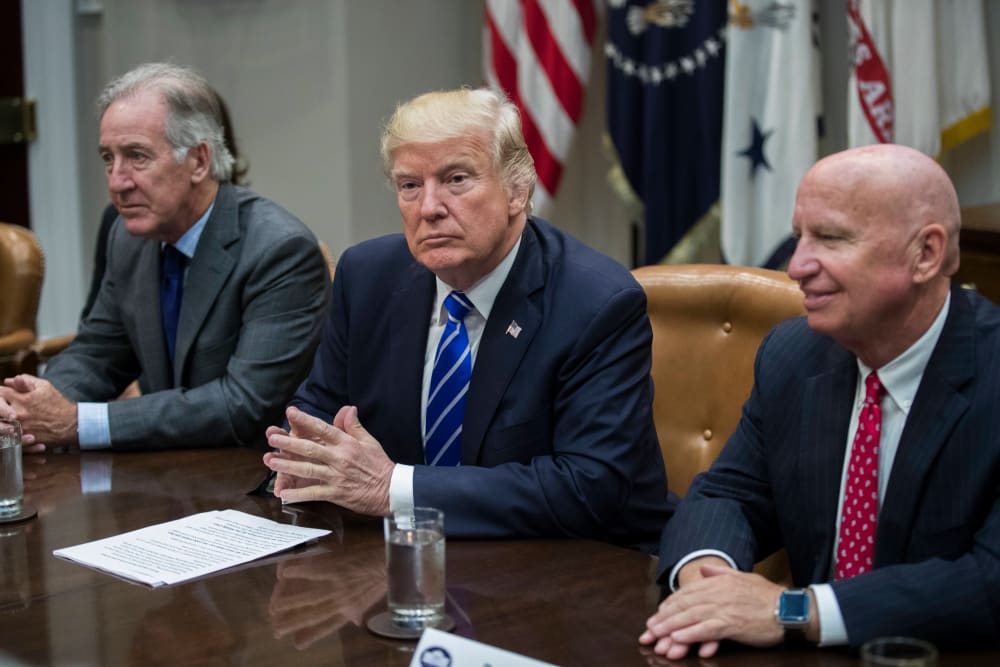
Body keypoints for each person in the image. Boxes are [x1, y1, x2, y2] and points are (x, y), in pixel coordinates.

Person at [262, 87, 675, 551]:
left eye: (456, 179)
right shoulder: (367, 277)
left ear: (518, 190)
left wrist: (392, 487)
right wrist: (301, 456)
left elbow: (587, 487)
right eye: (410, 185)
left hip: (576, 567)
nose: (429, 207)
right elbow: (320, 414)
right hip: (408, 561)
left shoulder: (597, 302)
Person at [639, 144, 1000, 657]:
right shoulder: (794, 354)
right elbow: (728, 496)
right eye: (798, 237)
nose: (797, 266)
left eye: (830, 238)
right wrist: (707, 577)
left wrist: (795, 611)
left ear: (926, 254)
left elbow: (989, 582)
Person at [0, 62, 329, 452]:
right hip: (165, 468)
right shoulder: (128, 236)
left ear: (199, 161)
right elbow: (97, 353)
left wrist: (75, 422)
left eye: (137, 156)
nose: (117, 181)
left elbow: (242, 407)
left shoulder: (279, 249)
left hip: (256, 478)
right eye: (108, 158)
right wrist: (28, 406)